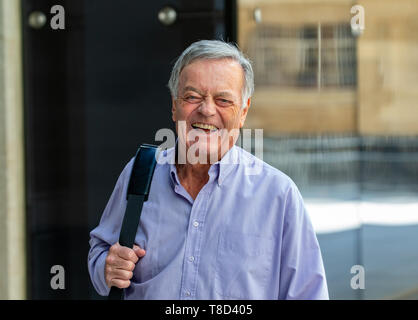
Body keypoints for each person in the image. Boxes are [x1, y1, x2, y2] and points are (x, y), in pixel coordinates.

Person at [88, 39, 329, 300]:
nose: (206, 110)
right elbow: (100, 251)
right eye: (192, 97)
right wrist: (107, 267)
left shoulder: (278, 195)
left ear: (244, 111)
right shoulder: (140, 172)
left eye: (223, 100)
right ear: (174, 105)